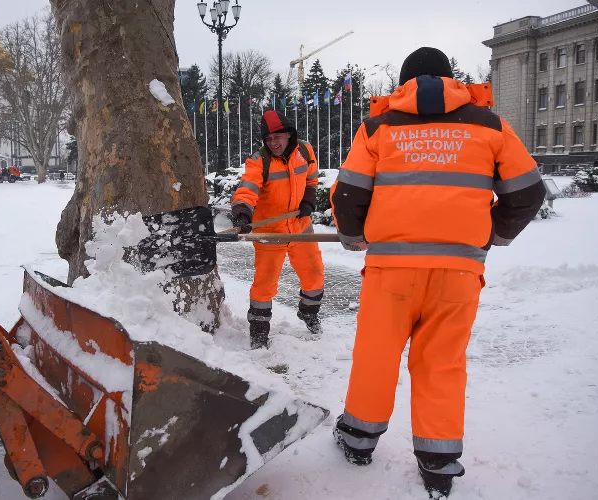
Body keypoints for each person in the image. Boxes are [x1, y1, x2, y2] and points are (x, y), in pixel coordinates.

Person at [329, 47, 546, 498]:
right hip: (458, 273)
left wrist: (354, 236)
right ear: (452, 80)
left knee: (377, 353)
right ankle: (439, 461)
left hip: (391, 270)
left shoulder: (378, 128)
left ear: (404, 84)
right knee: (442, 362)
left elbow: (349, 193)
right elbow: (527, 193)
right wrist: (493, 236)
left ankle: (357, 440)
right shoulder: (490, 126)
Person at [230, 110, 325, 349]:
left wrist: (308, 201)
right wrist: (242, 212)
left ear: (289, 135)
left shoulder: (305, 151)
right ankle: (259, 331)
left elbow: (312, 178)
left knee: (314, 275)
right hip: (269, 233)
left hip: (300, 228)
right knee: (264, 285)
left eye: (278, 137)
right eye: (269, 139)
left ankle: (309, 313)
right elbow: (247, 188)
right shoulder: (259, 160)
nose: (273, 143)